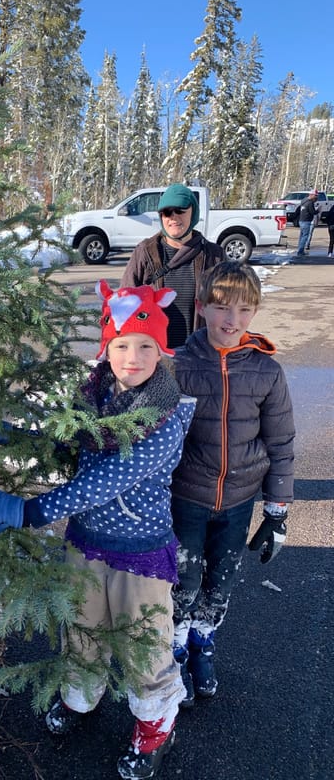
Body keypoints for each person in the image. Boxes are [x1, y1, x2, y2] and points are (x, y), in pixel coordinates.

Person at [0, 280, 196, 780]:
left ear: (162, 351)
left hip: (140, 552)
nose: (132, 356)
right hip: (86, 544)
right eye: (122, 345)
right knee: (83, 632)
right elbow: (65, 443)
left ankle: (154, 725)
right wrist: (8, 433)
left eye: (146, 345)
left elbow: (107, 478)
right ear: (106, 348)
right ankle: (82, 698)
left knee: (144, 643)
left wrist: (32, 513)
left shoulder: (168, 415)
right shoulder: (94, 400)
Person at [169, 261, 295, 707]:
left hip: (239, 499)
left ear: (255, 312)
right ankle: (177, 646)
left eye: (244, 309)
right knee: (182, 580)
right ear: (201, 308)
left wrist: (277, 510)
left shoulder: (266, 372)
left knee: (220, 581)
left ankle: (203, 641)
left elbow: (280, 441)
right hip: (186, 497)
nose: (232, 320)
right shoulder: (179, 366)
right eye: (221, 307)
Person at [120, 183, 224, 349]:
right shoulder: (145, 252)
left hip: (200, 356)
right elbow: (124, 303)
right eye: (167, 212)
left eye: (180, 210)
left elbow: (228, 306)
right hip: (154, 357)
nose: (173, 217)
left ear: (193, 212)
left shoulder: (214, 256)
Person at [296, 189, 320, 257]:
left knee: (302, 236)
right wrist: (318, 210)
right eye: (315, 196)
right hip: (306, 221)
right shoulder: (310, 203)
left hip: (301, 220)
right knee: (305, 237)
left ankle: (300, 249)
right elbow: (312, 212)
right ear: (311, 195)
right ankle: (300, 251)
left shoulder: (303, 200)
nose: (316, 197)